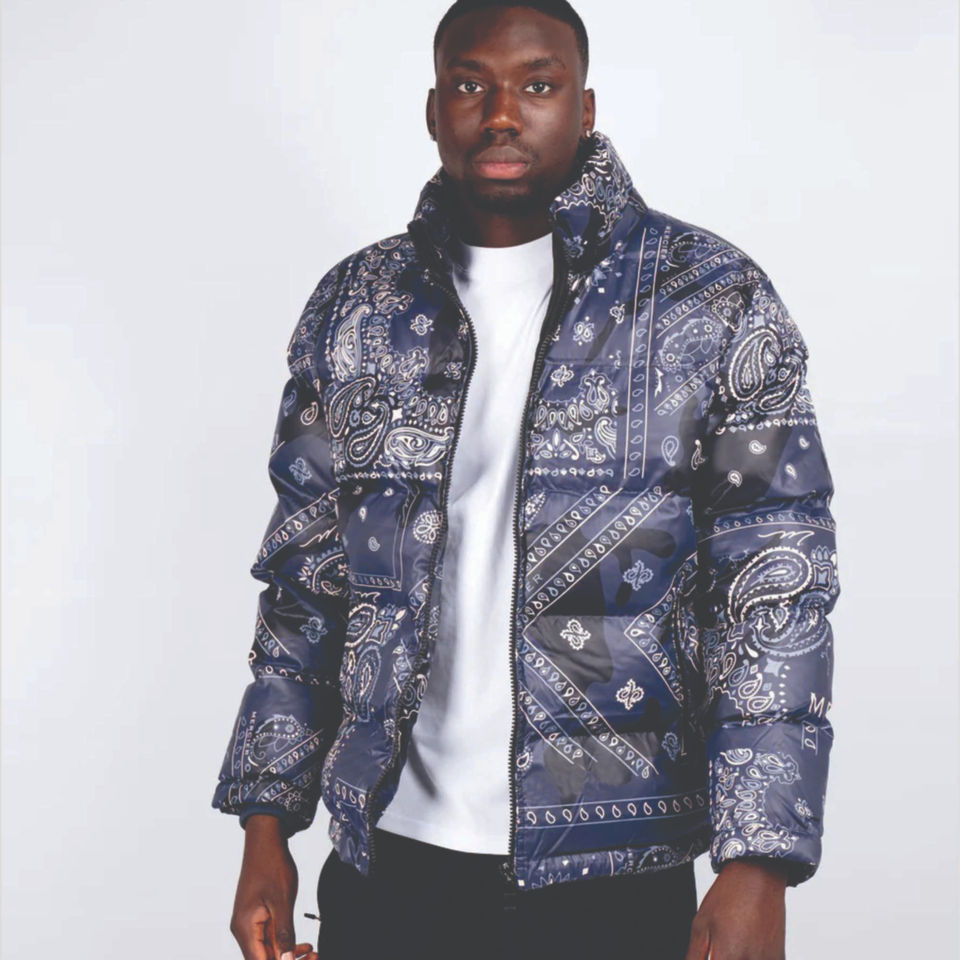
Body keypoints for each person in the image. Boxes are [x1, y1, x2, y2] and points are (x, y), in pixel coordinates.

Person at [211, 2, 841, 958]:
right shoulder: (356, 308)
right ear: (434, 110)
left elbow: (774, 593)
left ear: (584, 108)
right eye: (471, 85)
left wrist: (759, 863)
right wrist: (268, 827)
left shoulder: (712, 300)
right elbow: (305, 588)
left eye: (537, 85)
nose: (502, 113)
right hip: (390, 860)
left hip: (619, 875)